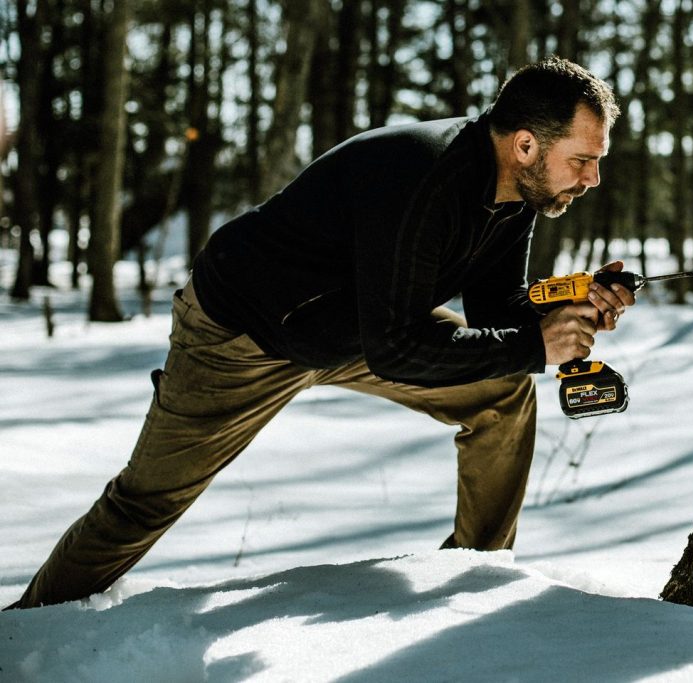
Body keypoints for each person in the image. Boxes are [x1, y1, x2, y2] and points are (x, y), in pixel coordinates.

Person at [6, 56, 633, 609]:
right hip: (241, 334)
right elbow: (398, 348)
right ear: (525, 145)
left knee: (501, 392)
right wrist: (534, 344)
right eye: (582, 161)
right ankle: (30, 631)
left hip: (357, 329)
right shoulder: (423, 178)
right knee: (145, 502)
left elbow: (494, 309)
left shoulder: (514, 195)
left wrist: (569, 309)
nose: (592, 179)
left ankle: (472, 579)